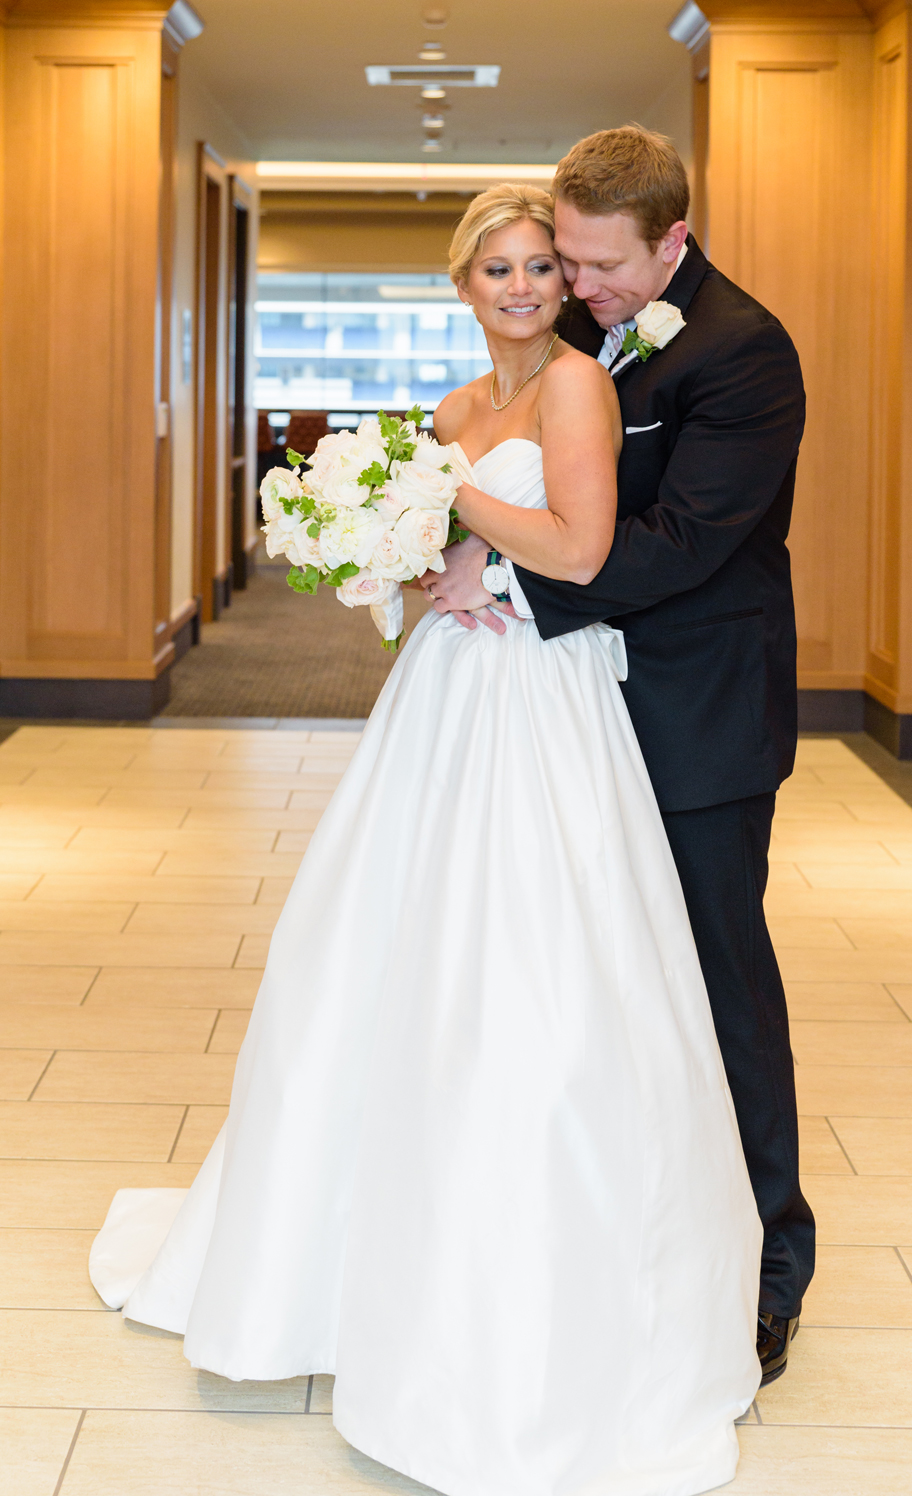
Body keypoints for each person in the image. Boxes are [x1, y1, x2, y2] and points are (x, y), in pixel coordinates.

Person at [86, 184, 762, 1496]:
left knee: (535, 971)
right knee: (372, 955)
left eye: (537, 269)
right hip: (445, 697)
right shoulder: (456, 408)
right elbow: (423, 580)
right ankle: (346, 1252)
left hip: (541, 704)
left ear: (564, 287)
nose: (519, 288)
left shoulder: (576, 390)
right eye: (495, 269)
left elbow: (581, 542)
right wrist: (395, 556)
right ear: (460, 282)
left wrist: (460, 521)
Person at [424, 126, 814, 1383]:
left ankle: (768, 1265)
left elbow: (679, 542)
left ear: (672, 241)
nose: (576, 291)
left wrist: (504, 578)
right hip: (577, 716)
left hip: (699, 715)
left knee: (717, 985)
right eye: (565, 264)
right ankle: (630, 1235)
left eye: (597, 268)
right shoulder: (597, 330)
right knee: (598, 983)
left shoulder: (746, 353)